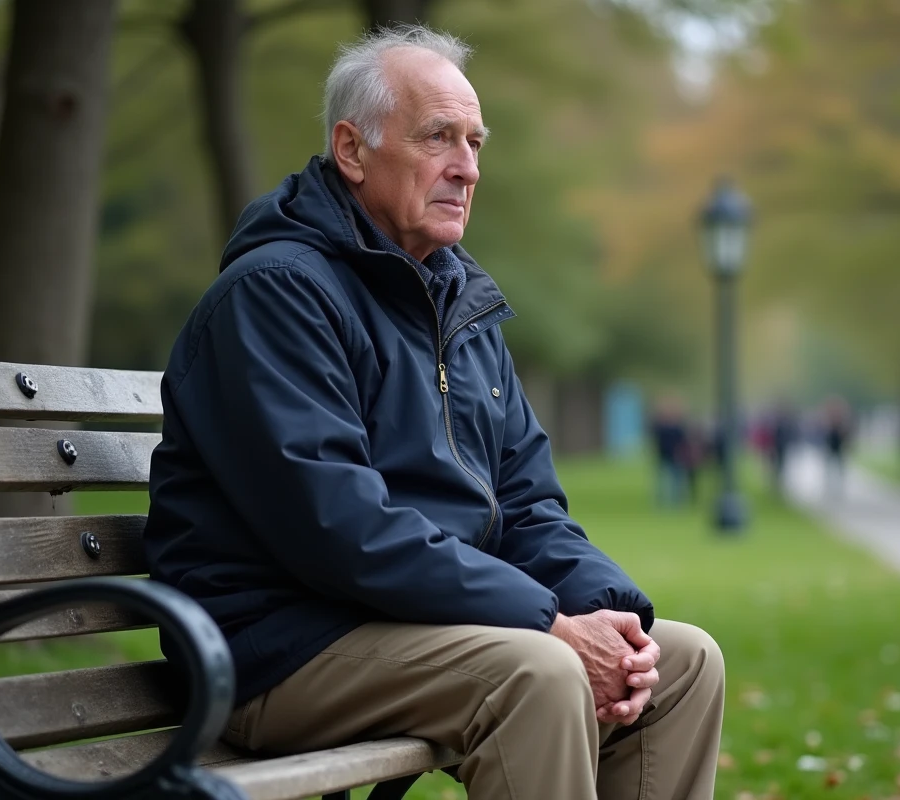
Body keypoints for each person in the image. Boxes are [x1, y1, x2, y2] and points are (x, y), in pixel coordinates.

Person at [142, 25, 724, 800]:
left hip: (410, 625)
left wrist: (614, 619)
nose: (468, 168)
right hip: (274, 643)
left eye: (477, 143)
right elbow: (339, 527)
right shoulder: (276, 294)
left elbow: (526, 505)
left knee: (683, 664)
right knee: (539, 671)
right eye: (439, 138)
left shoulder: (460, 307)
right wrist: (548, 624)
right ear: (352, 151)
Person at [821, 395, 854, 500]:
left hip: (839, 448)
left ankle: (839, 488)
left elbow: (846, 435)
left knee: (839, 468)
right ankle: (829, 487)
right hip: (830, 447)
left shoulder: (842, 422)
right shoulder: (827, 421)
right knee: (829, 468)